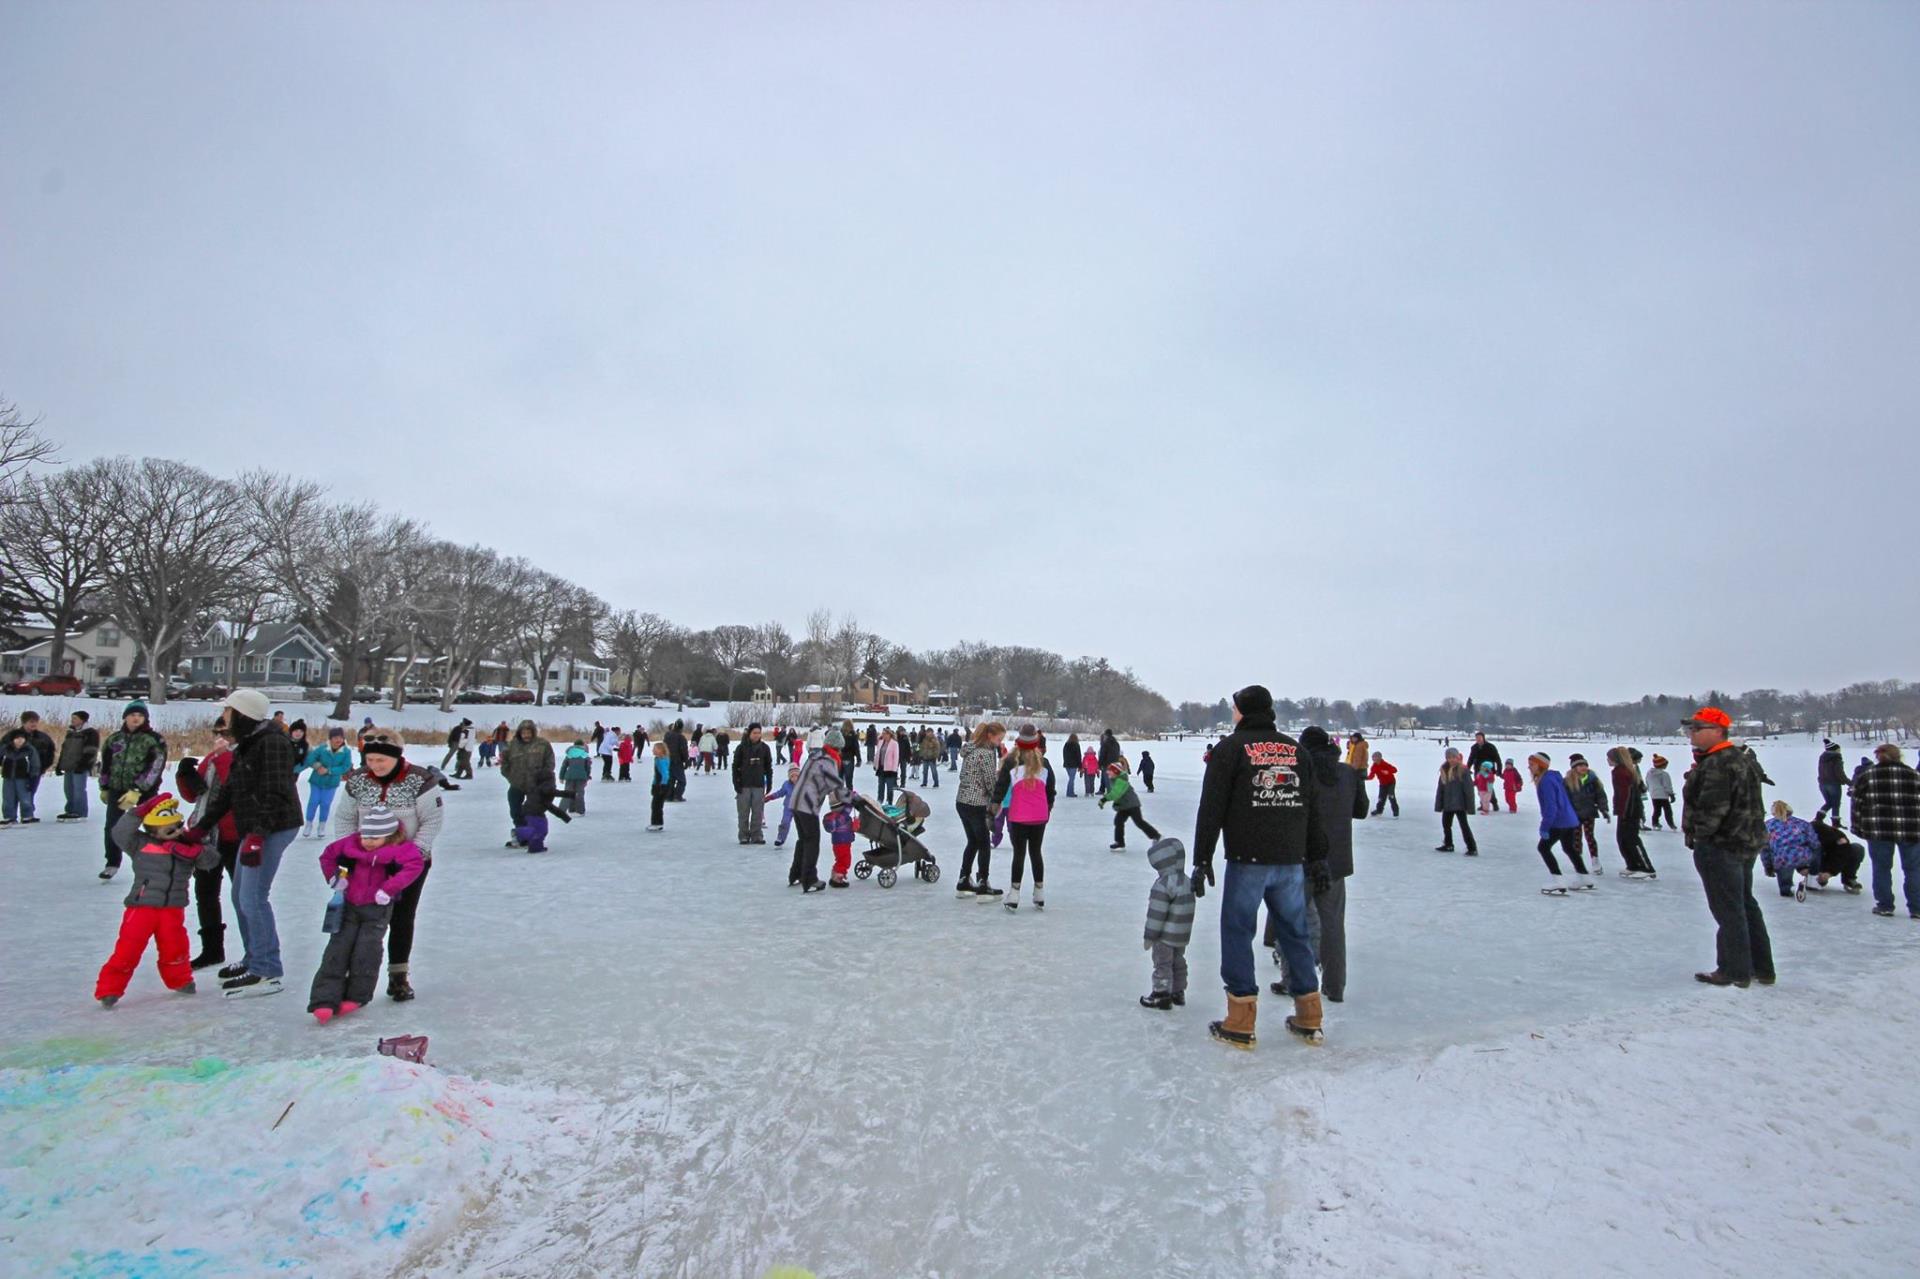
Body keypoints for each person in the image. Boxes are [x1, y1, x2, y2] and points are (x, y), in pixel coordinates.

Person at [1192, 685, 1330, 1049]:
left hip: (1247, 859)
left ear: (1241, 711)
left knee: (1238, 932)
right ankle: (1309, 1014)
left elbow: (1212, 808)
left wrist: (1202, 857)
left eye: (1234, 708)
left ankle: (1240, 1020)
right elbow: (1312, 810)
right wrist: (1317, 856)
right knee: (1295, 934)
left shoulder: (1231, 749)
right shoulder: (1297, 751)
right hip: (1290, 860)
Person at [190, 689, 304, 999]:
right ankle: (254, 957)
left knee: (253, 897)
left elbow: (277, 792)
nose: (223, 717)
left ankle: (267, 970)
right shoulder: (249, 742)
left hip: (272, 827)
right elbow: (229, 792)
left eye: (227, 711)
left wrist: (257, 836)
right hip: (255, 828)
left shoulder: (273, 743)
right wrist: (201, 827)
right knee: (242, 897)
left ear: (241, 713)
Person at [1268, 726, 1367, 1004]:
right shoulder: (1347, 773)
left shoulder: (1297, 774)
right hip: (1336, 862)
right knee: (1333, 926)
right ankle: (1335, 987)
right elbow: (1360, 810)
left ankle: (1293, 980)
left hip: (1301, 859)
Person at [93, 794, 219, 1006]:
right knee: (128, 949)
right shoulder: (140, 844)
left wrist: (197, 850)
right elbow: (120, 832)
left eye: (179, 826)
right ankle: (109, 989)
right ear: (153, 831)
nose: (177, 832)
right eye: (170, 830)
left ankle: (180, 980)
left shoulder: (186, 846)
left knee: (176, 946)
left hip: (173, 908)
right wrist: (139, 811)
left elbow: (211, 861)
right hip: (142, 907)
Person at [1680, 706, 1775, 988]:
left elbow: (1713, 809)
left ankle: (1734, 970)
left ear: (1718, 731)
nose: (1692, 734)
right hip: (1745, 843)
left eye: (1698, 729)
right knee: (1745, 904)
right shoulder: (1738, 759)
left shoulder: (1719, 763)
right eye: (1691, 729)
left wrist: (1700, 835)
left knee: (1729, 909)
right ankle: (1761, 968)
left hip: (1722, 845)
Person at [309, 805, 424, 1022]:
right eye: (366, 836)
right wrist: (335, 878)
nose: (369, 841)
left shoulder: (399, 849)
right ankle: (323, 999)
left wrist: (389, 888)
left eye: (375, 837)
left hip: (377, 910)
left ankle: (357, 995)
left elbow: (414, 865)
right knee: (337, 949)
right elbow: (327, 856)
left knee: (366, 952)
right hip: (349, 906)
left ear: (390, 836)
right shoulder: (351, 844)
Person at [97, 702, 168, 881]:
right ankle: (112, 862)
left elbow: (155, 767)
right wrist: (104, 786)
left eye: (140, 715)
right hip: (117, 788)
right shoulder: (115, 739)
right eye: (132, 714)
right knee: (113, 826)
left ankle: (160, 861)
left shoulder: (153, 739)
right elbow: (105, 764)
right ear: (125, 717)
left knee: (153, 826)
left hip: (145, 791)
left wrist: (138, 789)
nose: (136, 718)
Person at [1848, 743, 1920, 919]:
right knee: (1913, 869)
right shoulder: (1913, 775)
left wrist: (1857, 827)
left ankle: (1885, 905)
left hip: (1878, 830)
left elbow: (1856, 803)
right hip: (1911, 829)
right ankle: (1917, 907)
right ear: (1898, 756)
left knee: (1881, 867)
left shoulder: (1867, 776)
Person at [992, 724, 1055, 911]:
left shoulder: (1011, 761)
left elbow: (1000, 788)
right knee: (1036, 852)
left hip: (1018, 815)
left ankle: (1014, 895)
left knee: (1019, 854)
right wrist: (1047, 808)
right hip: (1040, 816)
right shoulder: (1045, 764)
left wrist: (992, 808)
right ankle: (1039, 892)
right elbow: (1050, 792)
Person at [788, 728, 851, 892]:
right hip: (806, 805)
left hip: (795, 802)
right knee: (812, 841)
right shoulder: (828, 761)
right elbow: (836, 787)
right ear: (836, 747)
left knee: (803, 840)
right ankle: (809, 879)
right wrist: (854, 799)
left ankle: (796, 873)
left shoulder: (815, 756)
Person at [1140, 836, 1194, 1010]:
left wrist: (1150, 936)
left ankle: (1161, 994)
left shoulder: (1163, 884)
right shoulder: (1186, 881)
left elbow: (1157, 914)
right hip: (1182, 933)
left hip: (1164, 935)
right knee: (1178, 960)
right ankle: (1178, 991)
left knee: (1162, 962)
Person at [1529, 752, 1594, 893]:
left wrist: (1545, 827)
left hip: (1559, 821)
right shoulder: (1553, 778)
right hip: (1570, 820)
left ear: (1540, 765)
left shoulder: (1546, 781)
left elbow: (1551, 806)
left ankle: (1558, 881)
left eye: (1532, 764)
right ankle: (1584, 877)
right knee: (1569, 848)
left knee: (1543, 848)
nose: (1529, 767)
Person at [955, 722, 1006, 899]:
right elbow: (990, 781)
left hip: (961, 801)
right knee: (983, 843)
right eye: (999, 739)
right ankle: (983, 882)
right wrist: (997, 800)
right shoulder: (986, 753)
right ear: (990, 736)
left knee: (973, 841)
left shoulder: (971, 749)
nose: (1000, 743)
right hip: (976, 803)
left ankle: (964, 880)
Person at [500, 720, 556, 846]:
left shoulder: (543, 744)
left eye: (529, 732)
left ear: (533, 732)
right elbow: (505, 763)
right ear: (520, 732)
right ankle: (522, 834)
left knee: (533, 812)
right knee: (515, 810)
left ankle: (533, 835)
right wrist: (510, 776)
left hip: (536, 785)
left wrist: (544, 778)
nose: (526, 735)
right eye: (524, 732)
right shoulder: (512, 745)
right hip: (517, 783)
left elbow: (550, 762)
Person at [1607, 746, 1657, 879]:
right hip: (1626, 810)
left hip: (1630, 811)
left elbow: (1626, 793)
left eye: (1609, 758)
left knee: (1631, 839)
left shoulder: (1622, 772)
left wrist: (1624, 810)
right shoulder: (1623, 770)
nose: (1607, 760)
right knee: (1622, 839)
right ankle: (1633, 865)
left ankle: (1647, 868)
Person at [300, 727, 353, 838]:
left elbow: (345, 766)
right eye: (335, 737)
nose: (338, 740)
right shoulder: (322, 748)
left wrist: (329, 771)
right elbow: (310, 758)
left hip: (331, 783)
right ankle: (308, 824)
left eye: (340, 737)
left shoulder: (346, 752)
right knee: (313, 802)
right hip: (317, 781)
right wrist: (318, 767)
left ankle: (321, 825)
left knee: (325, 803)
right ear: (330, 739)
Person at [1763, 801, 1822, 899]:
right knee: (1816, 849)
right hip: (1802, 855)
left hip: (1782, 859)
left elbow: (1765, 848)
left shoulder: (1768, 825)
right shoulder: (1802, 823)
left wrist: (1768, 866)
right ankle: (1811, 877)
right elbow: (1814, 842)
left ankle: (1788, 888)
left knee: (1785, 890)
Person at [1100, 760, 1160, 850]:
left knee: (1139, 822)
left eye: (1110, 771)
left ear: (1116, 772)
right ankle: (1120, 842)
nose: (1108, 772)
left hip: (1132, 805)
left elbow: (1116, 793)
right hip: (1124, 806)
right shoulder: (1114, 779)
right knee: (1118, 821)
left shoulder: (1121, 781)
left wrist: (1104, 799)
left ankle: (1156, 836)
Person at [1564, 755, 1611, 865]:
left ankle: (1595, 859)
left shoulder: (1593, 780)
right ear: (1574, 768)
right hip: (1574, 815)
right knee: (1576, 838)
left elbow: (1601, 796)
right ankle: (1578, 860)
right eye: (1580, 765)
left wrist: (1604, 810)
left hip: (1589, 813)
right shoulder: (1567, 781)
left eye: (1585, 765)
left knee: (1590, 836)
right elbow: (1564, 799)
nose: (1583, 767)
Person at [55, 711, 100, 821]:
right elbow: (65, 749)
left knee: (79, 789)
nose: (72, 720)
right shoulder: (70, 732)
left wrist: (84, 764)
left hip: (80, 766)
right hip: (69, 765)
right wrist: (59, 765)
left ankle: (80, 811)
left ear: (82, 720)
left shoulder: (90, 733)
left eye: (75, 718)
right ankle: (70, 810)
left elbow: (91, 750)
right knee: (68, 789)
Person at [732, 723, 773, 845]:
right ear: (749, 733)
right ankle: (743, 835)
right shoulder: (741, 748)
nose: (757, 735)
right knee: (743, 812)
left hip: (759, 785)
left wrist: (769, 781)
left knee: (758, 812)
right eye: (754, 733)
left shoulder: (765, 748)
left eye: (758, 733)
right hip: (744, 785)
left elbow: (768, 767)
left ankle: (756, 835)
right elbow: (735, 767)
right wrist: (736, 783)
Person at [1433, 748, 1478, 855]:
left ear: (1458, 757)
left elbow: (1469, 790)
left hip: (1460, 805)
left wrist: (1470, 807)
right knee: (1446, 825)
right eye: (1449, 757)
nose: (1451, 759)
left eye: (1453, 757)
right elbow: (1440, 789)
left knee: (1464, 826)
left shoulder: (1463, 771)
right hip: (1448, 804)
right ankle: (1448, 844)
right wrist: (1439, 805)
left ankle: (1472, 848)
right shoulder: (1444, 770)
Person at [1809, 813, 1865, 894]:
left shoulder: (1835, 835)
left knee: (1856, 848)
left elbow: (1843, 853)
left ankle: (1849, 878)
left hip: (1832, 859)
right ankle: (1814, 876)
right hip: (1816, 861)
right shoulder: (1802, 836)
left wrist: (1830, 872)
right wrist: (1803, 869)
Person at [1, 726, 44, 825]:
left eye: (21, 739)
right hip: (8, 777)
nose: (19, 741)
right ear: (13, 740)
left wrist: (33, 776)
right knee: (8, 798)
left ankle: (27, 815)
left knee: (25, 797)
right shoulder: (6, 749)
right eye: (17, 739)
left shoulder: (30, 750)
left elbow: (35, 764)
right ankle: (9, 817)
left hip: (23, 778)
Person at [822, 795, 858, 888]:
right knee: (845, 861)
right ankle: (837, 879)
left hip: (839, 842)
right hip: (843, 842)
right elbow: (847, 810)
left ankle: (835, 875)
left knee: (840, 859)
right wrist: (852, 799)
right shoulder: (841, 817)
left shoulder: (835, 817)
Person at [763, 764, 800, 846]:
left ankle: (805, 839)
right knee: (785, 822)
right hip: (788, 808)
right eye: (792, 776)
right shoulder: (786, 784)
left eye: (796, 776)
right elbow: (780, 793)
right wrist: (770, 797)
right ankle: (781, 838)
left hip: (800, 808)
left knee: (803, 825)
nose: (794, 778)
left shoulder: (803, 784)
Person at [1816, 738, 1850, 824]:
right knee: (1835, 804)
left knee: (1829, 802)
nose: (1840, 751)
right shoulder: (1836, 758)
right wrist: (1849, 782)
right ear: (1835, 749)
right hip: (1833, 784)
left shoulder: (1822, 758)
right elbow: (1839, 773)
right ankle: (1836, 823)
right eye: (1839, 749)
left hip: (1822, 784)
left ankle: (1818, 819)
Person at [560, 741, 592, 814]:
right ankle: (580, 810)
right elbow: (588, 767)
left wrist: (561, 777)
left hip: (570, 776)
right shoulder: (585, 755)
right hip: (581, 777)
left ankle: (566, 809)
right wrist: (587, 776)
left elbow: (564, 767)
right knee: (580, 793)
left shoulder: (569, 754)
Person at [1646, 754, 1677, 828]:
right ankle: (1671, 824)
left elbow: (1647, 782)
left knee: (1657, 810)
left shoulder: (1649, 773)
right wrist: (1671, 794)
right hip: (1663, 796)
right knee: (1668, 811)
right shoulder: (1664, 774)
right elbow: (1667, 785)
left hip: (1653, 795)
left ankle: (1655, 823)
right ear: (1662, 765)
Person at [647, 742, 671, 832]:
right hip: (658, 784)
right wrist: (653, 785)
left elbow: (665, 774)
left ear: (661, 750)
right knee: (656, 805)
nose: (653, 750)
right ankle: (657, 823)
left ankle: (656, 824)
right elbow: (656, 776)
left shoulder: (662, 760)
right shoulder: (658, 759)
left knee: (656, 805)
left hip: (661, 786)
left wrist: (663, 786)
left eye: (655, 749)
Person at [1367, 752, 1399, 817]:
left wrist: (1388, 771)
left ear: (1380, 757)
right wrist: (1364, 777)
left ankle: (1396, 812)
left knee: (1391, 796)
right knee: (1381, 798)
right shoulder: (1374, 767)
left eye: (1376, 757)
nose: (1374, 759)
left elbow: (1395, 770)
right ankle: (1379, 810)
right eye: (1373, 757)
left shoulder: (1385, 764)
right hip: (1383, 784)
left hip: (1391, 783)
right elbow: (1371, 776)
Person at [874, 728, 900, 806]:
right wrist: (875, 765)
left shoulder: (894, 744)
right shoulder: (881, 742)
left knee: (889, 788)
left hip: (890, 769)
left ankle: (889, 802)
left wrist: (894, 769)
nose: (883, 735)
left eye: (885, 733)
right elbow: (877, 754)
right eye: (883, 733)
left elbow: (896, 757)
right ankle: (879, 801)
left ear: (889, 734)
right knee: (880, 787)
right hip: (881, 768)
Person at [665, 722, 689, 799]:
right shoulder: (681, 737)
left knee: (670, 779)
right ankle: (677, 796)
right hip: (677, 761)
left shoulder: (667, 735)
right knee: (681, 780)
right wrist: (686, 760)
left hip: (667, 760)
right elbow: (683, 750)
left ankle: (669, 795)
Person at [1060, 732, 1081, 798]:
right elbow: (1078, 756)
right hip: (1073, 765)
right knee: (1071, 779)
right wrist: (1080, 765)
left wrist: (1065, 762)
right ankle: (1070, 792)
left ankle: (1070, 792)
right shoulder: (1076, 745)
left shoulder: (1066, 744)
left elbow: (1064, 754)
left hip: (1067, 764)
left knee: (1071, 778)